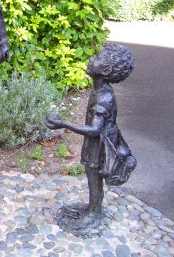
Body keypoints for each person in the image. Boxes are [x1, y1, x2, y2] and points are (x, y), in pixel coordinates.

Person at [45, 43, 134, 229]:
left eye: (97, 57)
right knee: (90, 173)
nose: (91, 59)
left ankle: (94, 212)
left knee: (94, 174)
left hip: (101, 145)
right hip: (96, 142)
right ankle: (92, 207)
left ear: (106, 69)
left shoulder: (105, 97)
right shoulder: (98, 90)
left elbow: (94, 130)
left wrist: (63, 124)